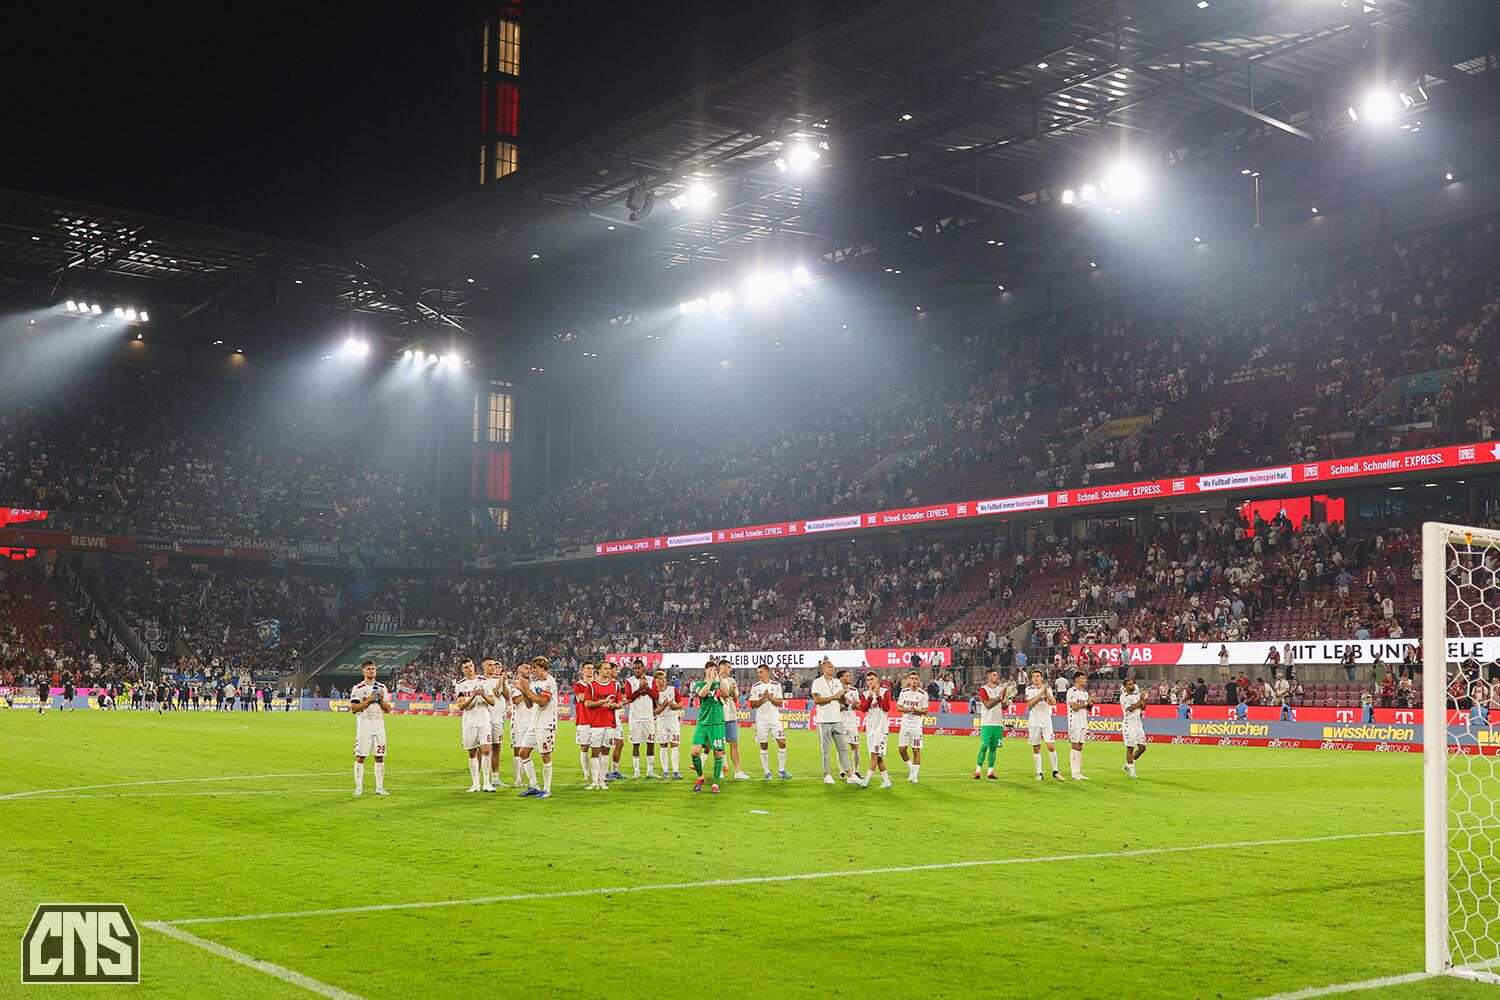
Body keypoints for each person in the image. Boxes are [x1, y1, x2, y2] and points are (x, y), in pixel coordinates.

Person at [812, 659, 861, 786]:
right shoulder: (817, 682)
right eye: (829, 667)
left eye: (833, 667)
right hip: (824, 720)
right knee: (826, 749)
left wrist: (844, 699)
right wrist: (835, 696)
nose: (832, 669)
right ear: (823, 669)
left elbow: (842, 699)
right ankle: (826, 774)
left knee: (843, 748)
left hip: (837, 720)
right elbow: (817, 700)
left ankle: (850, 775)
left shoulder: (837, 682)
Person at [516, 655, 556, 798]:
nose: (532, 671)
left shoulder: (549, 682)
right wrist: (523, 690)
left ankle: (547, 789)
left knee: (545, 755)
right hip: (534, 724)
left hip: (546, 724)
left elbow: (542, 701)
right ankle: (534, 786)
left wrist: (527, 690)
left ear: (543, 668)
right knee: (523, 753)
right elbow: (528, 704)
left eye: (535, 668)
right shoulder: (534, 683)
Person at [454, 658, 494, 792]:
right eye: (466, 667)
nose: (469, 669)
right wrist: (472, 697)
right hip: (469, 722)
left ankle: (487, 783)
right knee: (472, 752)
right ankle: (475, 783)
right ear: (462, 670)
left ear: (474, 666)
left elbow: (492, 702)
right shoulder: (460, 685)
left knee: (486, 750)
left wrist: (483, 695)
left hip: (484, 720)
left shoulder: (484, 682)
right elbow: (460, 706)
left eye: (470, 665)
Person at [584, 661, 624, 790]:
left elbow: (620, 703)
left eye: (609, 669)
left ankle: (602, 781)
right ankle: (594, 781)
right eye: (605, 669)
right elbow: (587, 703)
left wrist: (614, 706)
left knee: (606, 750)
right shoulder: (591, 686)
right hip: (596, 723)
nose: (608, 671)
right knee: (595, 751)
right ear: (599, 671)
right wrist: (603, 702)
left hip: (610, 723)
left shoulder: (615, 685)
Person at [690, 660, 727, 793]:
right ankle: (701, 777)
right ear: (705, 670)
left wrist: (720, 678)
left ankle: (715, 784)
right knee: (694, 752)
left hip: (717, 723)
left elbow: (726, 694)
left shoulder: (719, 683)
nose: (712, 671)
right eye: (710, 669)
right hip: (703, 723)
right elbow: (702, 694)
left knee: (718, 753)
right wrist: (711, 680)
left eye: (714, 669)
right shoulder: (699, 685)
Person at [748, 664, 790, 779]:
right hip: (761, 720)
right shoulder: (756, 686)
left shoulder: (776, 685)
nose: (759, 674)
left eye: (761, 672)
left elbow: (780, 702)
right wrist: (763, 699)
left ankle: (782, 771)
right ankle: (767, 772)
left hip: (775, 719)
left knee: (782, 743)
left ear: (767, 672)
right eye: (758, 672)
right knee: (764, 745)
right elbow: (752, 705)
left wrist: (770, 697)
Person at [1026, 668, 1063, 781]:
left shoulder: (1048, 689)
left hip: (1047, 722)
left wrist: (1045, 692)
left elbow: (1053, 702)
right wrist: (1041, 693)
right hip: (1034, 722)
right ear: (1032, 679)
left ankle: (1055, 771)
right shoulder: (1029, 689)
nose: (1036, 678)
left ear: (1042, 678)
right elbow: (1030, 703)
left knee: (1051, 746)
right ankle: (1039, 773)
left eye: (1038, 676)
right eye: (1034, 676)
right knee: (1036, 748)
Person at [973, 668, 1011, 780]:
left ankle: (990, 772)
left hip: (998, 723)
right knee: (984, 746)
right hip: (987, 722)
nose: (997, 677)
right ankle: (978, 771)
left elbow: (1003, 707)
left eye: (997, 675)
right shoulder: (983, 689)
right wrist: (999, 697)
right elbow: (987, 705)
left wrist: (1008, 700)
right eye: (994, 675)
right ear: (988, 677)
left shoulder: (1001, 689)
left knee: (994, 748)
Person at [718, 660, 752, 780]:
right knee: (719, 745)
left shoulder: (732, 681)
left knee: (734, 744)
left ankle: (738, 771)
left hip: (731, 716)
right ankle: (720, 769)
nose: (730, 669)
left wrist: (732, 690)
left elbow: (736, 699)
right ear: (721, 667)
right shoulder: (716, 680)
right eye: (728, 667)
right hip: (719, 716)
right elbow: (721, 695)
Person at [625, 658, 658, 778]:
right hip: (635, 718)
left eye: (639, 668)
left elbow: (656, 696)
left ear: (643, 668)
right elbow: (629, 698)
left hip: (648, 716)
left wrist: (647, 688)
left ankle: (650, 771)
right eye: (635, 668)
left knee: (650, 743)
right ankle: (637, 771)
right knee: (636, 744)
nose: (637, 670)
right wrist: (640, 689)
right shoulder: (629, 681)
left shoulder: (651, 680)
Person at [859, 672, 894, 788]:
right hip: (870, 730)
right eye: (868, 680)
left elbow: (887, 707)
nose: (870, 682)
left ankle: (866, 781)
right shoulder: (864, 694)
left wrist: (878, 696)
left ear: (877, 680)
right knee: (878, 758)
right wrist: (870, 696)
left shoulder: (885, 692)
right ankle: (887, 782)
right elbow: (863, 709)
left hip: (881, 729)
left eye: (872, 679)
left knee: (874, 755)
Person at [894, 671, 927, 783]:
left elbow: (926, 710)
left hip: (916, 725)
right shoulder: (904, 692)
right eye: (912, 678)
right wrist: (907, 709)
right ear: (909, 679)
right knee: (902, 750)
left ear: (918, 680)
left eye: (916, 678)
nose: (914, 680)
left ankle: (914, 775)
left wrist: (917, 710)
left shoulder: (923, 694)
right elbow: (898, 708)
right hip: (905, 724)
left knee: (916, 750)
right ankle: (912, 769)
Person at [481, 659, 509, 789]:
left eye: (495, 665)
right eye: (491, 665)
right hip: (484, 718)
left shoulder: (499, 679)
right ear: (484, 667)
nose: (493, 668)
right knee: (482, 749)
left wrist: (503, 682)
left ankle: (496, 778)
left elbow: (507, 696)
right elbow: (490, 693)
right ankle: (478, 777)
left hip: (498, 717)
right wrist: (499, 685)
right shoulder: (481, 680)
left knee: (497, 748)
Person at [651, 670, 683, 778]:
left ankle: (675, 771)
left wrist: (674, 706)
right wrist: (663, 707)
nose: (663, 680)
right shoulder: (654, 694)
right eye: (660, 678)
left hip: (673, 721)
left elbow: (680, 704)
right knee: (663, 746)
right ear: (655, 681)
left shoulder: (673, 690)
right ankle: (665, 771)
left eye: (664, 678)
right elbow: (653, 712)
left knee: (675, 745)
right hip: (661, 722)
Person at [1065, 671, 1092, 781]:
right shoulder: (1072, 691)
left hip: (1083, 721)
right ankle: (1073, 772)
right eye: (1083, 678)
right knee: (1075, 746)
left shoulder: (1085, 693)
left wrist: (1089, 703)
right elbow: (1074, 707)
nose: (1085, 680)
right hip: (1074, 722)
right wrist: (1086, 703)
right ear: (1077, 679)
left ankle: (1078, 772)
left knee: (1080, 746)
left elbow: (1088, 708)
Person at [837, 668, 863, 779]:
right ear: (841, 678)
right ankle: (842, 771)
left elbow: (858, 706)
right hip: (840, 722)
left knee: (855, 747)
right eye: (847, 676)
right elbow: (836, 708)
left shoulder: (854, 690)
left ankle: (856, 771)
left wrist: (855, 704)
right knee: (841, 747)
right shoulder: (836, 690)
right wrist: (845, 705)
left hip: (852, 723)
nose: (850, 677)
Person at [1120, 675, 1148, 778]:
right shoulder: (1124, 697)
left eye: (1133, 684)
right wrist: (1140, 701)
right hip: (1129, 724)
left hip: (1138, 723)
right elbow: (1130, 709)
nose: (1132, 685)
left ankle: (1128, 765)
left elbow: (1143, 708)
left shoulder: (1137, 695)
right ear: (1125, 686)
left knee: (1142, 748)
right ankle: (1132, 770)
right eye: (1130, 684)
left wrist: (1144, 700)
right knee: (1130, 748)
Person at [573, 660, 595, 780]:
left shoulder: (597, 684)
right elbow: (581, 698)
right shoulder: (578, 685)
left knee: (598, 749)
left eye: (592, 668)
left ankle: (599, 772)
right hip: (583, 720)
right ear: (582, 671)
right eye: (588, 668)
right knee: (584, 747)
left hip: (596, 721)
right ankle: (586, 773)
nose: (590, 670)